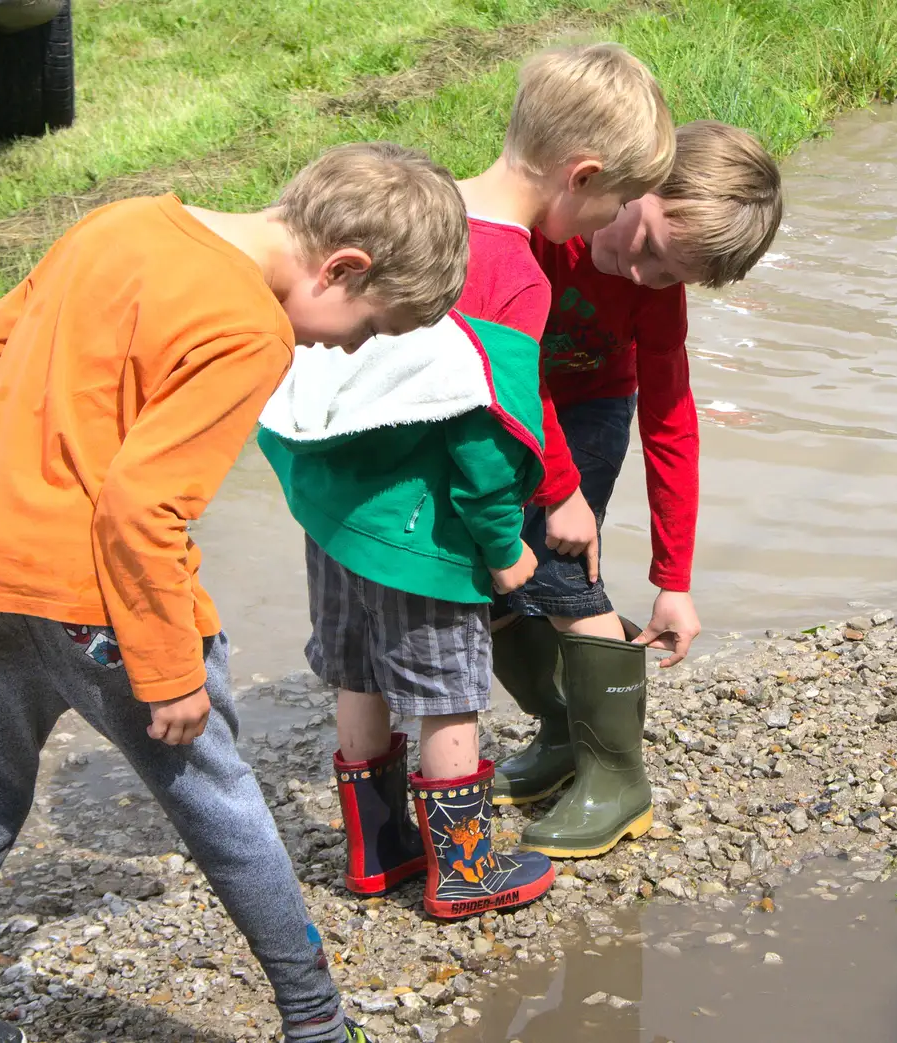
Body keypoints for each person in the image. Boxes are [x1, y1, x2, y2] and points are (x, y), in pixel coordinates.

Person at [0, 142, 470, 1043]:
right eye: (369, 326)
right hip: (104, 607)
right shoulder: (250, 328)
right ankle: (316, 1022)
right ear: (342, 267)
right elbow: (140, 505)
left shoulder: (115, 224)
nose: (348, 346)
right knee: (220, 808)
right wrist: (167, 674)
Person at [258, 42, 675, 921]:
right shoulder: (516, 273)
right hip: (425, 532)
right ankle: (466, 870)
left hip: (338, 514)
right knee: (450, 694)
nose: (604, 226)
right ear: (581, 177)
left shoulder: (411, 208)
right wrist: (524, 530)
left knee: (358, 674)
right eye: (613, 203)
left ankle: (376, 851)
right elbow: (494, 430)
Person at [491, 120, 785, 859]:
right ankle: (560, 727)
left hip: (589, 403)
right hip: (504, 390)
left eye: (672, 277)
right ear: (634, 179)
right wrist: (553, 486)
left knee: (560, 562)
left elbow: (670, 422)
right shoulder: (541, 230)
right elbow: (510, 367)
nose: (644, 279)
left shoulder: (655, 292)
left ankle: (617, 779)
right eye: (650, 249)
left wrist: (673, 580)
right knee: (490, 569)